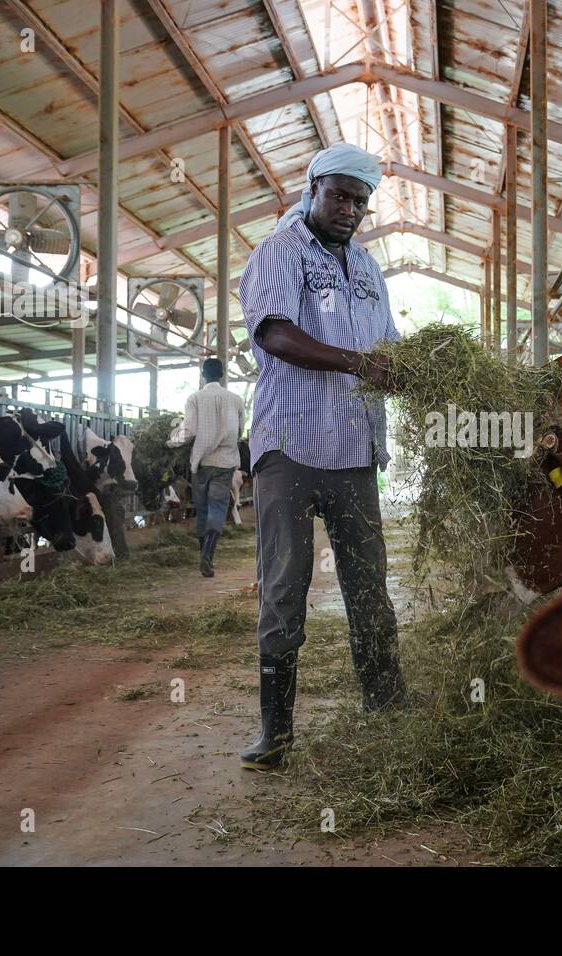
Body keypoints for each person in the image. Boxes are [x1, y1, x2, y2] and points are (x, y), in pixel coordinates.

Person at [235, 143, 408, 772]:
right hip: (290, 447)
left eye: (360, 200)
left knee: (370, 585)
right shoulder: (279, 251)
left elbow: (389, 347)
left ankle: (387, 706)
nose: (350, 209)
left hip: (355, 451)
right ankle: (274, 734)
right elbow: (276, 333)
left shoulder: (366, 266)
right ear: (311, 187)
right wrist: (359, 364)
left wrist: (417, 372)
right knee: (285, 587)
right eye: (339, 195)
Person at [173, 357, 246, 577]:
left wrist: (172, 440)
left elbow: (189, 430)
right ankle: (208, 556)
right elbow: (240, 430)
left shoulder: (194, 398)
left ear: (202, 375)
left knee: (203, 510)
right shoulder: (235, 399)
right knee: (217, 508)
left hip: (202, 463)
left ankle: (204, 555)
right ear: (222, 374)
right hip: (225, 463)